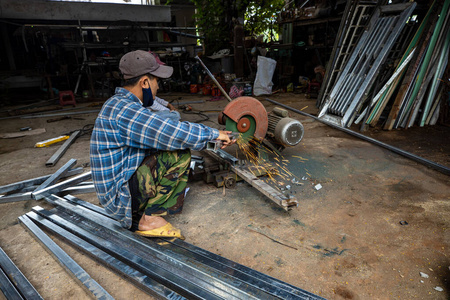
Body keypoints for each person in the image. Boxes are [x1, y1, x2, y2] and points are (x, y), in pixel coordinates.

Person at [90, 50, 233, 239]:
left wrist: (208, 140)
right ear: (144, 82)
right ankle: (147, 220)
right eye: (157, 81)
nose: (158, 87)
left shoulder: (120, 103)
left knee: (168, 144)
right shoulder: (125, 111)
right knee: (178, 154)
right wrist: (214, 133)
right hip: (120, 197)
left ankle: (143, 212)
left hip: (121, 183)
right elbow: (172, 133)